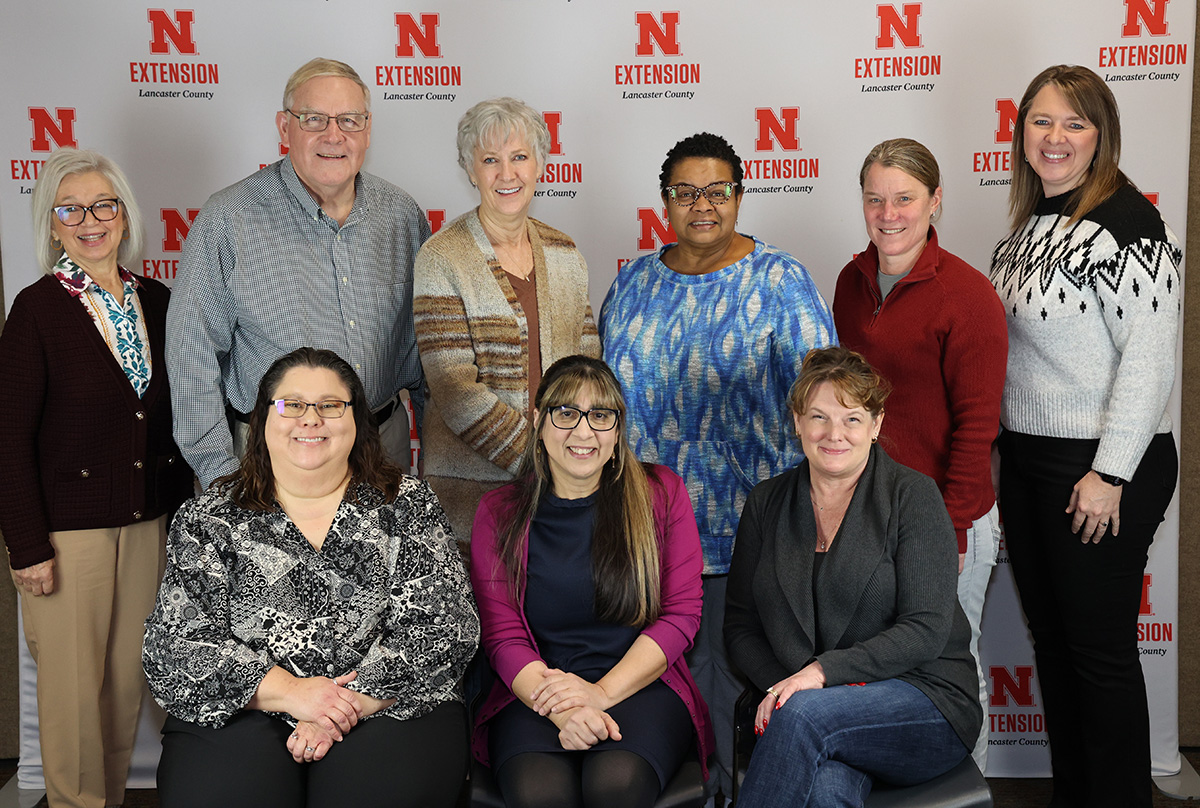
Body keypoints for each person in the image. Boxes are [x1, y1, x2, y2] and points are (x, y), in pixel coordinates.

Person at [599, 131, 835, 801]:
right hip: (647, 532)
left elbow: (825, 402)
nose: (701, 205)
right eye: (684, 192)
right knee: (659, 692)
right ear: (665, 201)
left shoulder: (780, 280)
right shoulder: (634, 282)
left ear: (739, 194)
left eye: (716, 190)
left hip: (751, 531)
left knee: (740, 688)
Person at [142, 347, 479, 808]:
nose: (311, 419)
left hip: (388, 704)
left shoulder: (407, 505)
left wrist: (343, 705)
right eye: (292, 404)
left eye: (330, 405)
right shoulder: (210, 517)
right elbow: (173, 649)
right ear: (264, 418)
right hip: (247, 708)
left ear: (357, 419)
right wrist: (295, 694)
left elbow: (445, 626)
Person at [989, 65, 1181, 808]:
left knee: (1098, 656)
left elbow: (1150, 359)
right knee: (1058, 651)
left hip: (1104, 465)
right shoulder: (1033, 224)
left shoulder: (1128, 221)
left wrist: (1110, 475)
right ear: (1022, 133)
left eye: (1075, 123)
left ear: (1101, 134)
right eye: (1042, 120)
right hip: (1033, 461)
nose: (1057, 137)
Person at [0, 147, 194, 808]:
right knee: (73, 699)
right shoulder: (37, 311)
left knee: (120, 691)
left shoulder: (159, 301)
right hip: (66, 539)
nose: (90, 220)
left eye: (103, 205)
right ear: (52, 222)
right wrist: (26, 548)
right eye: (71, 209)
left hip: (148, 528)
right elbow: (8, 438)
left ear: (123, 214)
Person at [725, 346, 979, 807]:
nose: (833, 434)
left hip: (924, 698)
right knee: (826, 791)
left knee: (804, 718)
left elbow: (925, 630)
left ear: (877, 425)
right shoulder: (766, 503)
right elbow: (741, 626)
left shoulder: (913, 496)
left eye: (852, 419)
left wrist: (817, 678)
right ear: (797, 421)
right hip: (814, 712)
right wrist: (786, 686)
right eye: (819, 417)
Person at [167, 57, 430, 489]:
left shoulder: (402, 216)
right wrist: (223, 477)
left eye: (349, 120)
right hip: (272, 455)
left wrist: (436, 463)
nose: (334, 135)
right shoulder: (228, 219)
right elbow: (190, 356)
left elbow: (428, 354)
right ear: (284, 128)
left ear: (367, 130)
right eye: (314, 119)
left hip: (383, 450)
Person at [832, 137, 1006, 770]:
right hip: (869, 517)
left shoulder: (968, 296)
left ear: (935, 201)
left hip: (945, 517)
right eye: (875, 199)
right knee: (877, 671)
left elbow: (977, 427)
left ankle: (968, 788)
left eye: (905, 198)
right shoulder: (850, 284)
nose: (889, 213)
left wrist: (953, 529)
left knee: (950, 671)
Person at [470, 355, 712, 808]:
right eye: (566, 413)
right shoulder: (500, 512)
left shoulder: (661, 494)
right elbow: (502, 635)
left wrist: (599, 695)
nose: (584, 432)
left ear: (618, 430)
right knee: (539, 793)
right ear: (539, 422)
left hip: (641, 687)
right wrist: (565, 707)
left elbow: (681, 617)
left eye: (601, 416)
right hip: (535, 691)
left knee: (615, 786)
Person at [414, 96, 600, 545]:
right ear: (470, 169)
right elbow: (455, 390)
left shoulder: (564, 252)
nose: (507, 173)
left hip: (562, 489)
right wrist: (546, 457)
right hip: (471, 497)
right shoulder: (442, 257)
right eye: (490, 160)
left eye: (519, 157)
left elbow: (588, 362)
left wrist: (570, 449)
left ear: (541, 165)